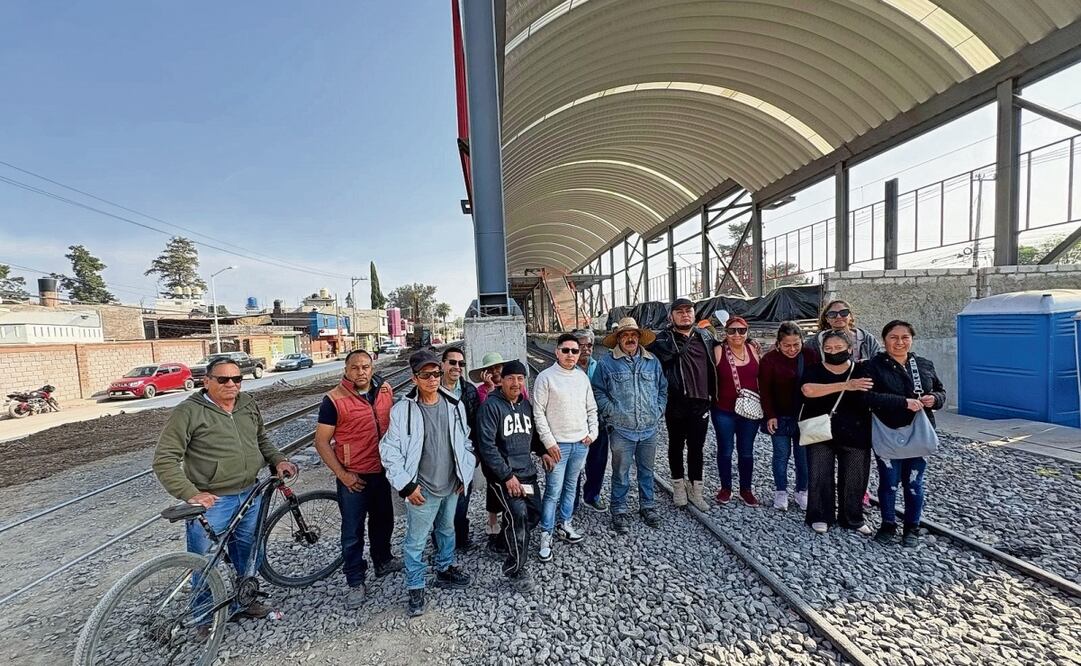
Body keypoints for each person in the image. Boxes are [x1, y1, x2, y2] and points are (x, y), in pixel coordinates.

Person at [153, 357, 298, 620]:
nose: (231, 384)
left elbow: (261, 439)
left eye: (237, 379)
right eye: (223, 379)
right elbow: (164, 459)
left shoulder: (247, 404)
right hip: (214, 501)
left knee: (247, 551)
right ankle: (204, 617)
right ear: (206, 381)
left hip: (249, 493)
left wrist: (278, 459)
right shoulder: (188, 412)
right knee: (204, 562)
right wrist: (190, 494)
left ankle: (245, 601)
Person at [379, 349, 475, 617]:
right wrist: (407, 486)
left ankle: (444, 569)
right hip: (421, 489)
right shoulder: (403, 411)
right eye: (426, 375)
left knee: (446, 530)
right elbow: (389, 450)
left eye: (436, 373)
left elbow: (464, 441)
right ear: (414, 378)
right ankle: (415, 585)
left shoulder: (454, 405)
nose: (433, 379)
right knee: (416, 541)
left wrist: (463, 473)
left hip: (451, 484)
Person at [313, 349, 401, 608]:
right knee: (352, 531)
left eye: (365, 367)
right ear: (346, 370)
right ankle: (355, 580)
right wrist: (343, 474)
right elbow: (321, 441)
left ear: (372, 368)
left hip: (382, 470)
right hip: (353, 476)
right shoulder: (334, 400)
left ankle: (383, 560)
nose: (361, 372)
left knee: (384, 520)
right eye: (355, 367)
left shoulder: (384, 390)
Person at [865, 321, 946, 547]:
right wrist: (902, 403)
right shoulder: (874, 366)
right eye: (893, 337)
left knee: (914, 483)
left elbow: (940, 391)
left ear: (911, 339)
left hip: (919, 433)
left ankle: (912, 526)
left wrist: (935, 399)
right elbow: (867, 397)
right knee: (889, 481)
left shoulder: (923, 365)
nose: (899, 342)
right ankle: (888, 524)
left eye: (904, 337)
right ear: (884, 340)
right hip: (888, 432)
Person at [476, 360, 552, 592]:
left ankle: (502, 542)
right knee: (518, 515)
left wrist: (542, 452)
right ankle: (515, 569)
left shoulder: (526, 406)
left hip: (526, 472)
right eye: (511, 378)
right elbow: (487, 446)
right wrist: (507, 476)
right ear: (503, 381)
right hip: (504, 476)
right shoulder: (491, 407)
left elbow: (534, 435)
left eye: (520, 378)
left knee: (535, 513)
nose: (516, 383)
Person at [591, 317, 667, 533]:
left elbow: (663, 389)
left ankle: (648, 506)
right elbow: (598, 391)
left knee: (647, 470)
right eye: (625, 335)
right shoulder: (606, 363)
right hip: (622, 430)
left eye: (634, 335)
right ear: (619, 339)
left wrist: (658, 409)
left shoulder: (652, 361)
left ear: (639, 338)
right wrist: (612, 413)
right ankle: (619, 509)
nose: (630, 339)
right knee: (621, 472)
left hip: (649, 428)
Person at [799, 331, 875, 534]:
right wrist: (847, 385)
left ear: (850, 349)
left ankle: (853, 518)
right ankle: (820, 515)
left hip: (856, 431)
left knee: (855, 476)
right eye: (828, 348)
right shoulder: (814, 370)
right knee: (819, 474)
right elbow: (808, 390)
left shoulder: (863, 369)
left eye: (839, 348)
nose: (833, 352)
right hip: (821, 431)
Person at [533, 333, 598, 562]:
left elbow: (592, 408)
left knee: (571, 487)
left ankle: (565, 523)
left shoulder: (582, 378)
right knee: (553, 491)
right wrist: (549, 443)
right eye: (566, 350)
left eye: (575, 351)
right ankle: (546, 533)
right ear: (557, 351)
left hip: (580, 444)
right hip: (557, 446)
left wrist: (592, 433)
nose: (570, 355)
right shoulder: (545, 377)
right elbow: (538, 413)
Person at [647, 297, 716, 512]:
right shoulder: (661, 341)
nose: (685, 314)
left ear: (694, 314)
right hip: (675, 403)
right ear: (671, 316)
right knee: (675, 446)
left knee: (697, 448)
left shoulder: (706, 337)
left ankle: (696, 489)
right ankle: (678, 484)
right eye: (679, 312)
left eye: (688, 311)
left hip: (701, 402)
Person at [758, 322, 817, 511]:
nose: (792, 349)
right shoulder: (769, 360)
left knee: (804, 458)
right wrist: (770, 415)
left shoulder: (809, 356)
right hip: (780, 416)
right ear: (778, 344)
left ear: (802, 342)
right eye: (787, 345)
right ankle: (780, 491)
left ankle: (802, 491)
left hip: (804, 416)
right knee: (781, 455)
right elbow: (765, 391)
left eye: (796, 345)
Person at [711, 316, 762, 506]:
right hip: (724, 410)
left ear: (747, 332)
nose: (737, 335)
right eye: (732, 330)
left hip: (749, 410)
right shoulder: (718, 351)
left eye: (741, 330)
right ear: (726, 333)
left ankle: (746, 489)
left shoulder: (754, 350)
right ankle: (726, 488)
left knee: (746, 451)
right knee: (725, 450)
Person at [439, 346, 481, 550]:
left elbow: (476, 426)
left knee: (462, 501)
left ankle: (461, 539)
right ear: (443, 364)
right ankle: (440, 543)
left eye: (461, 364)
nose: (457, 367)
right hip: (438, 458)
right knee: (439, 504)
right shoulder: (431, 387)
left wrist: (473, 457)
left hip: (463, 455)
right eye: (453, 362)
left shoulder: (469, 390)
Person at [574, 328, 609, 512]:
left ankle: (592, 495)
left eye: (589, 345)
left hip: (598, 423)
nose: (586, 349)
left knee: (598, 461)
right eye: (582, 345)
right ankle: (572, 500)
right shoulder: (568, 368)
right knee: (575, 464)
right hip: (576, 424)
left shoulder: (600, 366)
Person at [805, 300, 881, 363]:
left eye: (844, 312)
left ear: (850, 316)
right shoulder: (816, 341)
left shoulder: (867, 339)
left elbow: (879, 363)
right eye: (832, 314)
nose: (838, 317)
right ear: (827, 319)